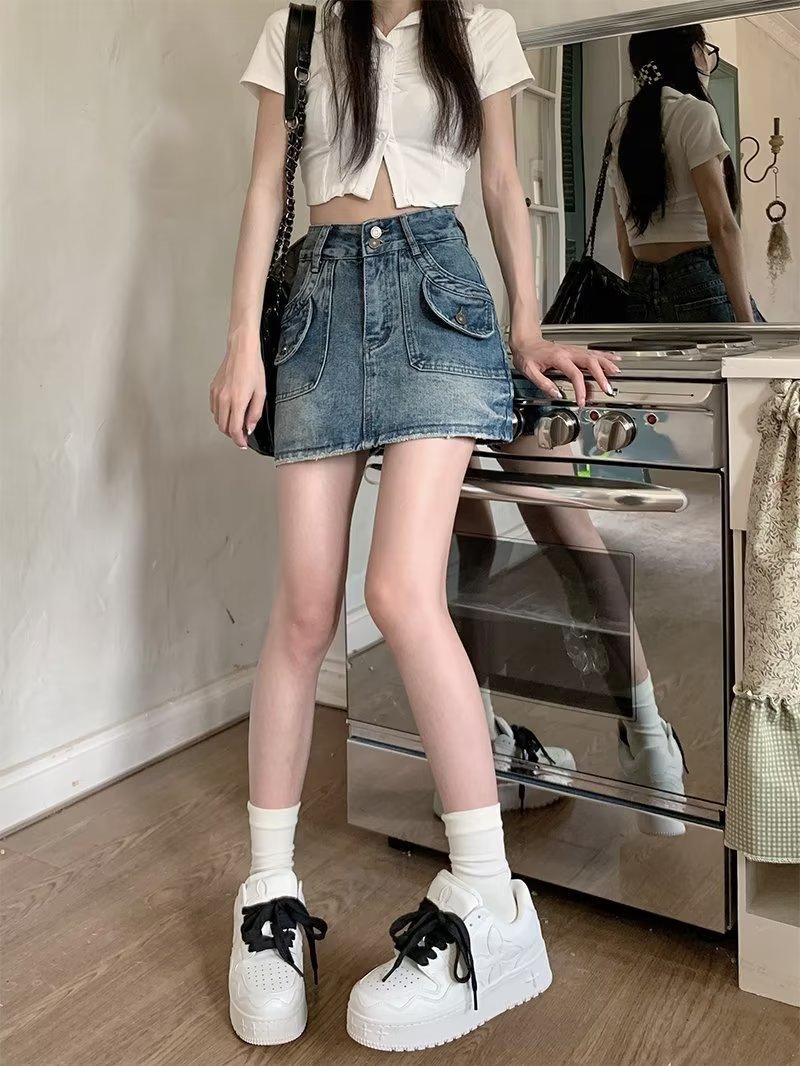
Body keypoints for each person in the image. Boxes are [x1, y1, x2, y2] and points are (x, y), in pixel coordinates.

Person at [210, 0, 620, 1051]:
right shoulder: (298, 27)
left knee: (398, 592)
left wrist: (526, 326)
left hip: (438, 300)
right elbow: (264, 185)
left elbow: (502, 183)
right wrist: (242, 339)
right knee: (304, 610)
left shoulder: (479, 27)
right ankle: (268, 896)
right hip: (315, 309)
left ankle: (487, 896)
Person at [609, 24, 763, 323]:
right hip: (698, 278)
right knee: (766, 352)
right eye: (706, 50)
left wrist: (641, 294)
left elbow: (623, 238)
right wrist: (747, 324)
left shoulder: (621, 124)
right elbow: (722, 227)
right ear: (691, 52)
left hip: (642, 284)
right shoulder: (694, 113)